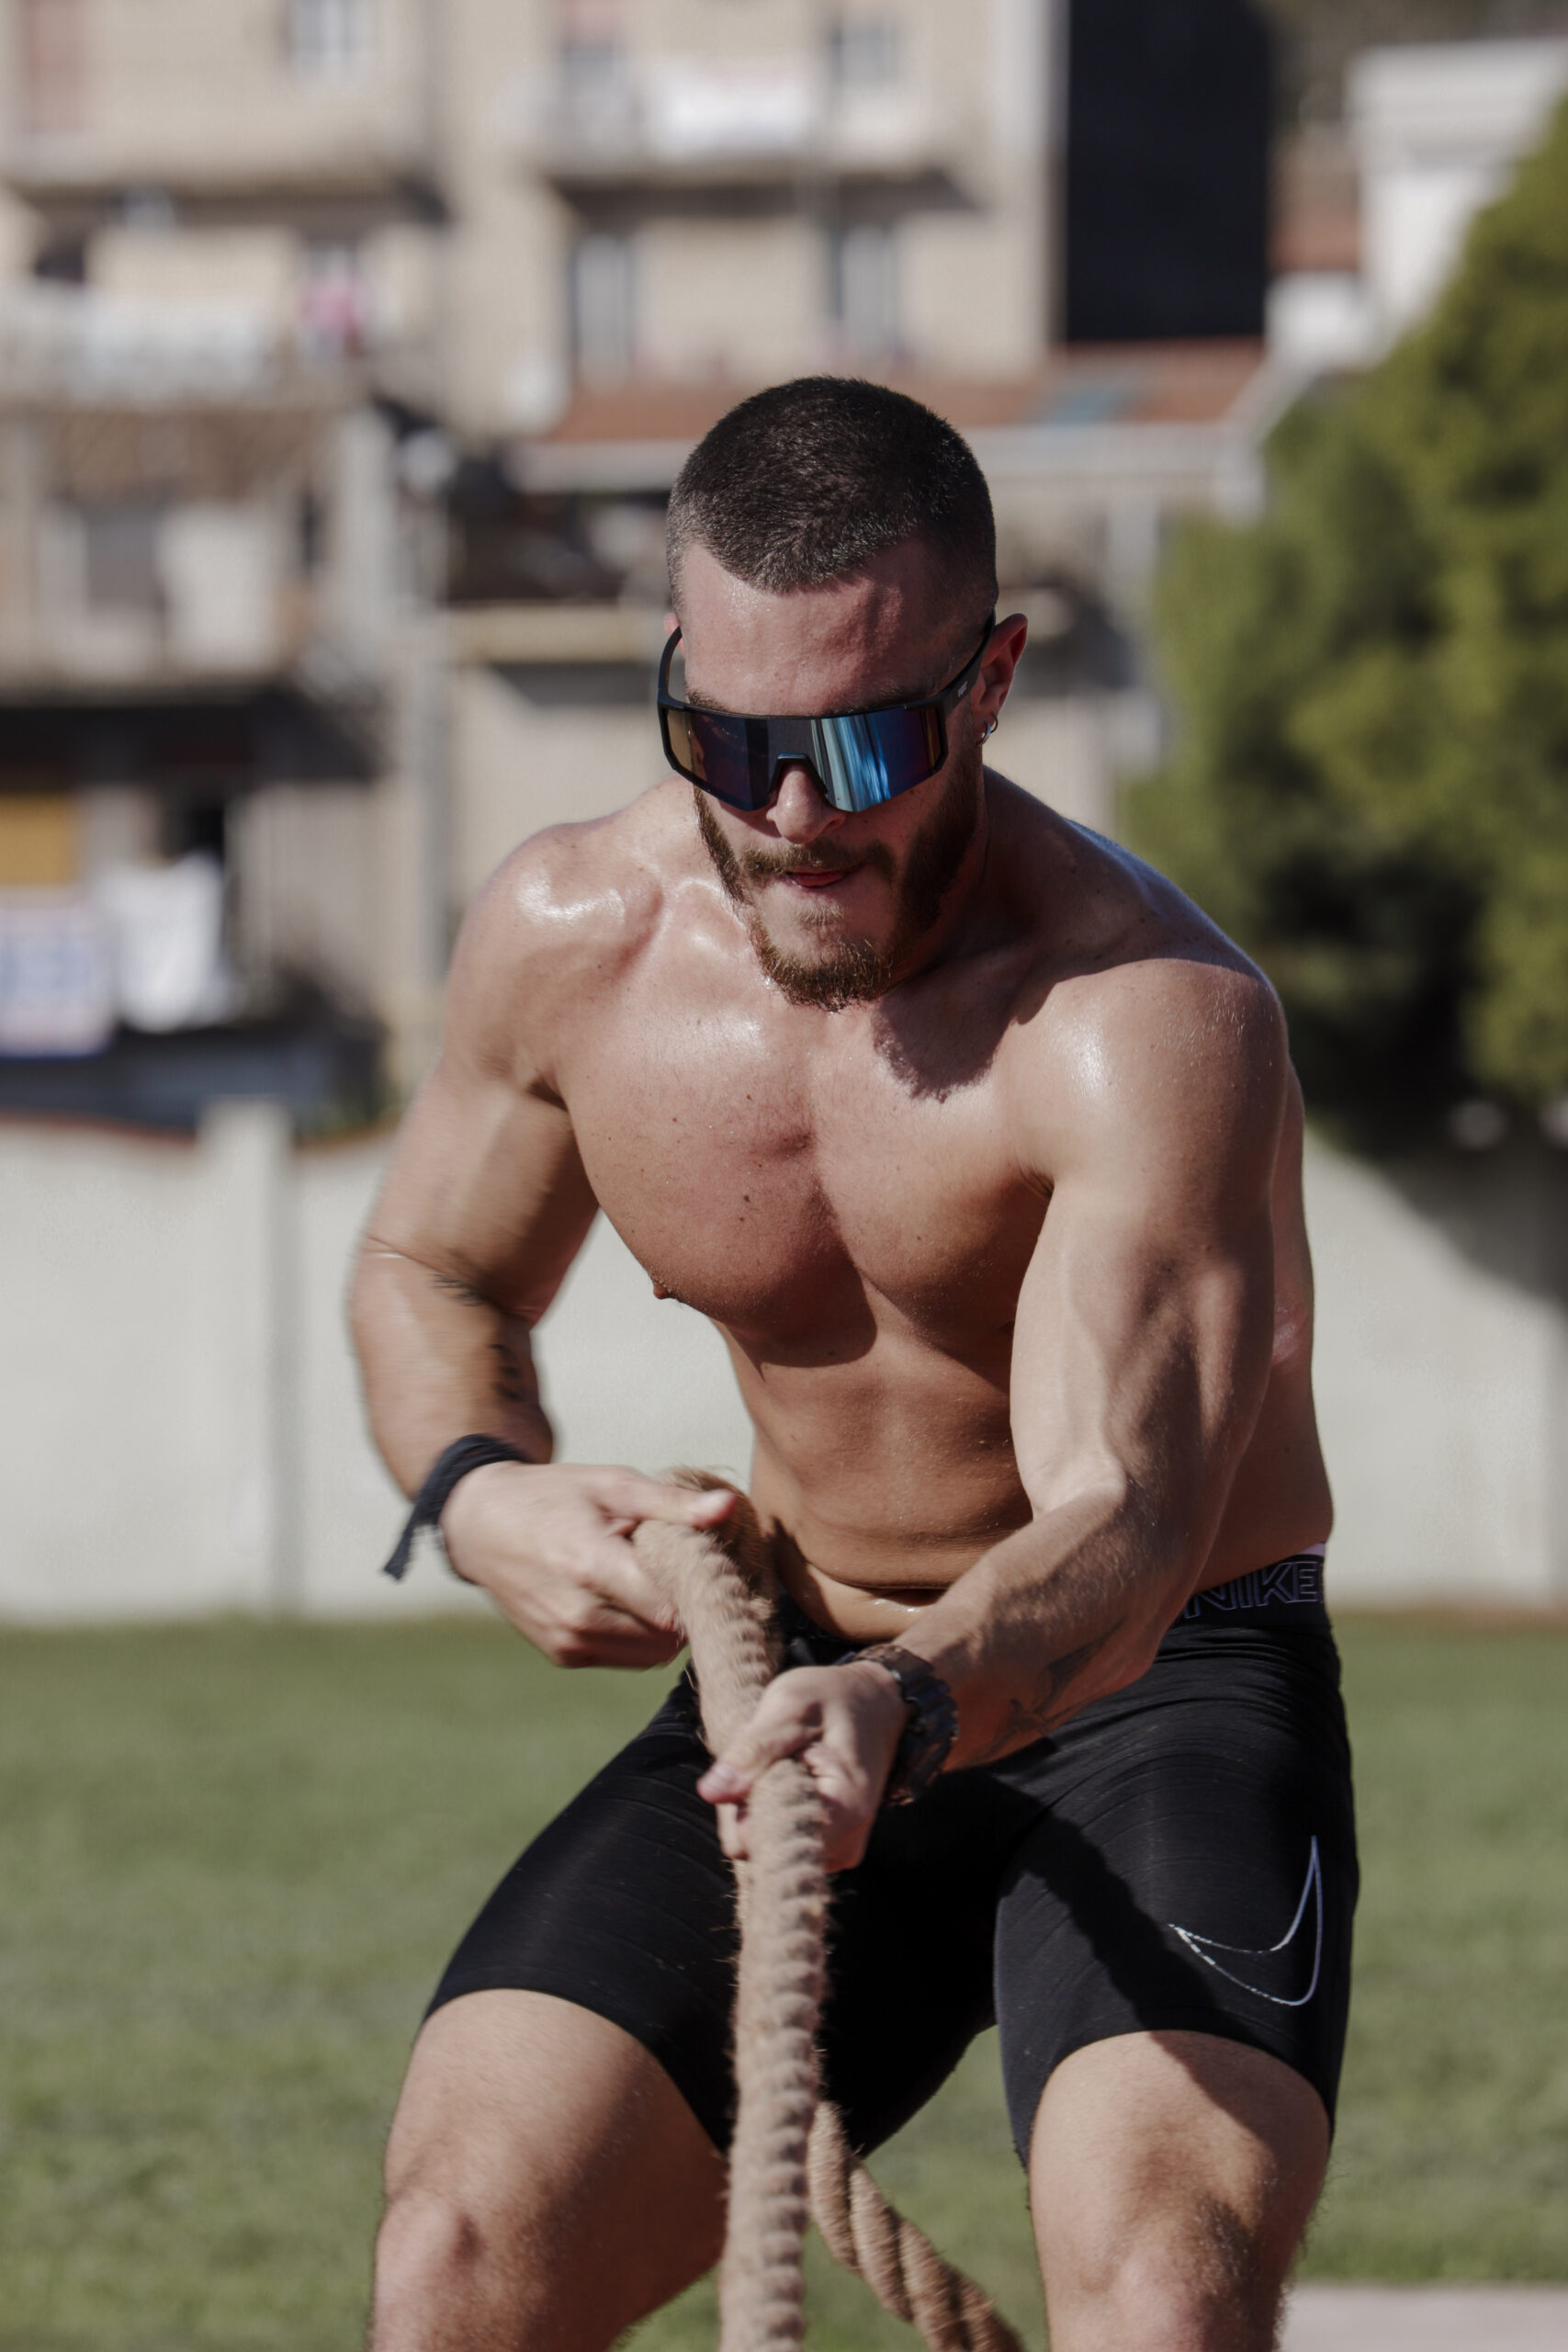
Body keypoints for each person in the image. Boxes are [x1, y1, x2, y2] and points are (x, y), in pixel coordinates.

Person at [351, 377, 1356, 2352]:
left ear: (990, 683)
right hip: (795, 1688)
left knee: (1164, 2289)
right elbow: (430, 1266)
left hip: (1152, 1687)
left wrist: (913, 1693)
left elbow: (1126, 1519)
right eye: (730, 740)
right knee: (456, 2259)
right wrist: (478, 1492)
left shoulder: (1141, 1016)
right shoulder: (572, 933)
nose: (794, 815)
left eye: (863, 740)